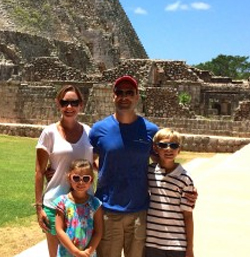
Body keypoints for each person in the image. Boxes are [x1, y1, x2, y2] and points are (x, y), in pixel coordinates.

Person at [90, 75, 197, 257]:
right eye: (120, 92)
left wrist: (186, 186)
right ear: (113, 96)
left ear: (137, 96)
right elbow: (89, 160)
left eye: (130, 93)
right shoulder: (99, 129)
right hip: (108, 210)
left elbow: (163, 161)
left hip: (139, 212)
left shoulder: (150, 130)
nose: (124, 97)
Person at [36, 85, 95, 257]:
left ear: (81, 105)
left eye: (74, 103)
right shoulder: (49, 133)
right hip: (55, 204)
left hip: (83, 204)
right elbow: (39, 172)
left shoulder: (88, 132)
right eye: (65, 103)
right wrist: (38, 208)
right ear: (58, 104)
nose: (69, 107)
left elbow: (95, 164)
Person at [145, 128, 195, 257]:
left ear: (179, 150)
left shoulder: (185, 179)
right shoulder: (148, 172)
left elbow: (188, 216)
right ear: (156, 149)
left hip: (176, 244)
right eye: (163, 145)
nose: (168, 149)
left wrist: (190, 248)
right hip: (151, 242)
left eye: (173, 145)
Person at [55, 159, 104, 257]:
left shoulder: (95, 204)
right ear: (69, 178)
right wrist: (75, 252)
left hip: (88, 254)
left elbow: (99, 232)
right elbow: (59, 230)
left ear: (91, 180)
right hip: (67, 253)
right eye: (76, 178)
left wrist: (88, 252)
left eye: (86, 178)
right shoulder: (62, 202)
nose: (81, 182)